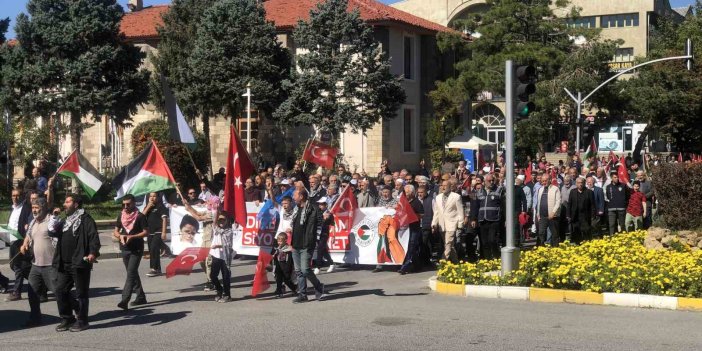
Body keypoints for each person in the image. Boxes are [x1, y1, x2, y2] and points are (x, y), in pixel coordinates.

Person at [52, 194, 100, 332]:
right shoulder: (65, 220)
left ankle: (82, 321)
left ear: (76, 204)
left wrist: (92, 253)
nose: (64, 204)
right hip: (64, 263)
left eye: (67, 202)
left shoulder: (86, 220)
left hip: (79, 262)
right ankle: (67, 318)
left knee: (81, 293)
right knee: (60, 290)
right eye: (65, 201)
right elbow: (52, 232)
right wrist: (54, 217)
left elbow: (93, 238)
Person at [19, 195, 57, 327]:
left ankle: (75, 311)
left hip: (50, 265)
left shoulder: (51, 221)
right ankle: (35, 318)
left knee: (59, 292)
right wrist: (24, 245)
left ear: (44, 208)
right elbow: (28, 236)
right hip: (35, 265)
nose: (34, 210)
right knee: (32, 292)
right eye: (33, 207)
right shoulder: (33, 222)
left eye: (37, 207)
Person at [290, 188, 326, 303]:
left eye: (295, 194)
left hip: (307, 244)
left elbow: (321, 222)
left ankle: (319, 286)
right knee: (299, 271)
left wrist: (317, 239)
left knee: (305, 269)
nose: (293, 196)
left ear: (301, 197)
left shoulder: (313, 209)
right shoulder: (296, 209)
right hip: (295, 244)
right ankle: (303, 295)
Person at [114, 194, 149, 310]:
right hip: (124, 248)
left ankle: (124, 300)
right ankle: (141, 296)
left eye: (128, 204)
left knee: (130, 273)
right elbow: (116, 231)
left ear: (134, 203)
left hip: (136, 249)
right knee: (132, 272)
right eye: (123, 204)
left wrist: (132, 236)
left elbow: (145, 232)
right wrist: (121, 236)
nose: (125, 206)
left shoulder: (140, 216)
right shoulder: (121, 215)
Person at [183, 193, 217, 291]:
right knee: (202, 261)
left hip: (212, 239)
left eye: (209, 201)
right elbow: (198, 213)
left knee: (209, 261)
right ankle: (211, 278)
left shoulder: (214, 213)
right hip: (205, 239)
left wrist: (189, 210)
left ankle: (210, 281)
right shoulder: (208, 211)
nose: (207, 202)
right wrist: (188, 206)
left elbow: (198, 218)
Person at [6, 187, 33, 302]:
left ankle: (17, 291)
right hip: (12, 241)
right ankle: (39, 285)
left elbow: (30, 224)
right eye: (13, 195)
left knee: (18, 267)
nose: (15, 198)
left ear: (22, 196)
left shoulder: (26, 209)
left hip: (21, 242)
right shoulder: (13, 209)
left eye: (17, 195)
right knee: (15, 266)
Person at [470, 175, 504, 260]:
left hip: (494, 219)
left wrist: (504, 219)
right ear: (484, 182)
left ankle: (497, 258)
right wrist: (473, 219)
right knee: (484, 242)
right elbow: (475, 206)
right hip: (482, 220)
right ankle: (488, 260)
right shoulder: (479, 191)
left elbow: (504, 206)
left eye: (493, 180)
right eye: (489, 181)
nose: (491, 182)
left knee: (492, 240)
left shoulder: (499, 190)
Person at [432, 180, 464, 263]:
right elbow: (436, 212)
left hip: (452, 223)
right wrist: (434, 223)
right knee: (450, 245)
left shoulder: (456, 197)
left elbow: (460, 211)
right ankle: (456, 262)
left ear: (450, 187)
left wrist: (460, 224)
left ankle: (443, 261)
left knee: (448, 243)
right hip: (442, 225)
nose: (443, 187)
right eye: (442, 185)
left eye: (446, 185)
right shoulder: (438, 197)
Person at [398, 185, 424, 274]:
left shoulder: (417, 203)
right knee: (409, 248)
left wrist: (411, 215)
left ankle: (404, 267)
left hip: (414, 229)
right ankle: (417, 265)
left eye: (408, 192)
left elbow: (421, 215)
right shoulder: (403, 202)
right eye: (405, 192)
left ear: (412, 193)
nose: (406, 194)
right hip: (404, 229)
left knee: (411, 246)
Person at [209, 213, 234, 303]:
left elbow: (228, 244)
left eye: (223, 219)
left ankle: (227, 295)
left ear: (227, 220)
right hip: (216, 255)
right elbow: (214, 220)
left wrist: (218, 246)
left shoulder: (229, 231)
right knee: (212, 275)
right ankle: (219, 289)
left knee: (226, 276)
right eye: (220, 220)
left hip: (225, 257)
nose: (221, 221)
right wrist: (217, 208)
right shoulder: (215, 229)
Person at [143, 192, 169, 277]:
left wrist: (164, 232)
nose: (152, 198)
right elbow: (141, 217)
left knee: (154, 248)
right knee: (152, 250)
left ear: (158, 197)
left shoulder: (161, 207)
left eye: (154, 196)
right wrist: (148, 207)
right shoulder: (148, 207)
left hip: (158, 231)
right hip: (150, 232)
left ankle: (154, 269)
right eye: (150, 196)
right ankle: (157, 269)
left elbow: (164, 219)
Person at [535, 173, 561, 246]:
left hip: (552, 216)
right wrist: (538, 214)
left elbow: (558, 202)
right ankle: (541, 249)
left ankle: (555, 249)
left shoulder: (556, 189)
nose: (543, 182)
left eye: (545, 181)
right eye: (542, 181)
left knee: (554, 234)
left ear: (550, 180)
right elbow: (539, 202)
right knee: (541, 233)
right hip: (542, 216)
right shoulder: (540, 189)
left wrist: (553, 212)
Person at [567, 177, 596, 244]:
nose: (580, 184)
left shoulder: (589, 192)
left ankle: (587, 245)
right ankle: (578, 245)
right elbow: (569, 204)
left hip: (585, 216)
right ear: (576, 184)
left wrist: (593, 215)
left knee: (586, 232)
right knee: (576, 232)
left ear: (584, 183)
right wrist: (568, 215)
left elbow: (592, 205)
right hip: (575, 216)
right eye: (578, 183)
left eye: (581, 183)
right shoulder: (572, 192)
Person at [313, 196, 335, 274]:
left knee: (319, 249)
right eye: (319, 204)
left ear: (326, 205)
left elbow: (332, 225)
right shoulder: (317, 212)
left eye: (322, 204)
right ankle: (331, 263)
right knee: (323, 250)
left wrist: (333, 236)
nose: (320, 205)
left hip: (325, 233)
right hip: (317, 233)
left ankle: (318, 267)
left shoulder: (329, 214)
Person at [273, 232, 297, 298]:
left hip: (285, 267)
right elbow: (275, 258)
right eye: (278, 241)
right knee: (278, 279)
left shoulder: (288, 250)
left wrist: (288, 270)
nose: (279, 243)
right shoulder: (278, 249)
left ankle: (294, 288)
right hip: (278, 267)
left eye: (280, 241)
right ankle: (279, 291)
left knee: (287, 280)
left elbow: (289, 261)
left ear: (285, 240)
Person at [416, 185, 435, 266]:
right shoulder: (415, 201)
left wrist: (434, 224)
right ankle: (424, 260)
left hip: (426, 225)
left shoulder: (431, 200)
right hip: (417, 225)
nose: (420, 194)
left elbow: (435, 212)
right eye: (419, 192)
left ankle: (425, 260)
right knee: (420, 243)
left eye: (422, 192)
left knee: (424, 242)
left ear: (426, 192)